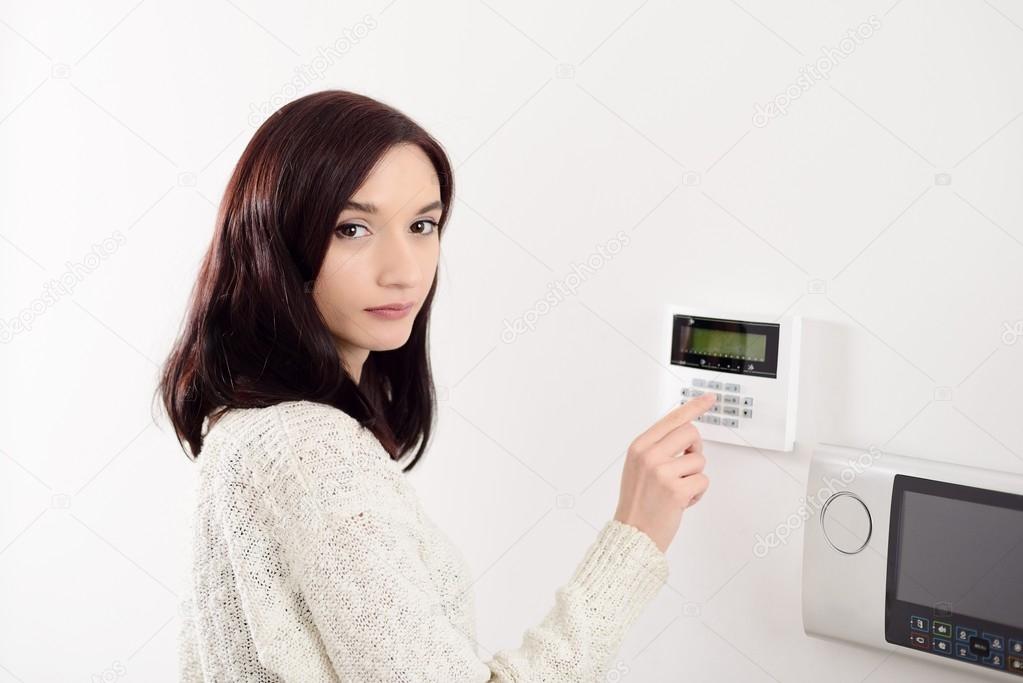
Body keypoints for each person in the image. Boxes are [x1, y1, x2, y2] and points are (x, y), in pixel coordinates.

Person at [158, 89, 714, 681]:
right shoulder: (307, 449)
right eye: (352, 228)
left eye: (423, 225)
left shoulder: (249, 424)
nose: (405, 270)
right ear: (274, 238)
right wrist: (634, 538)